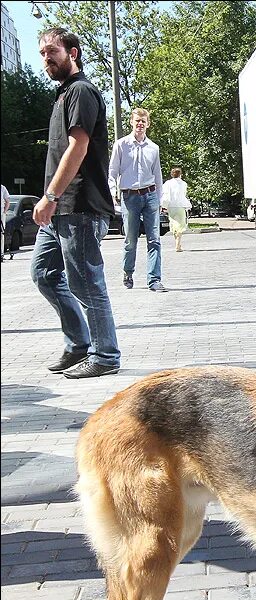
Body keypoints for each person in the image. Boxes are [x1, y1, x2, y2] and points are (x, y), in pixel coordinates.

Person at [30, 28, 120, 379]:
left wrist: (50, 196)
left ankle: (106, 355)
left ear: (73, 53)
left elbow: (78, 147)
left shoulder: (80, 91)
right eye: (42, 53)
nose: (47, 58)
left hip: (78, 205)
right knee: (44, 274)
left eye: (52, 50)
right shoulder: (63, 93)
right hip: (60, 210)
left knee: (86, 282)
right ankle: (79, 343)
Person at [108, 108, 166, 292]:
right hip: (129, 196)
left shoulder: (153, 148)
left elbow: (157, 175)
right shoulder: (121, 145)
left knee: (154, 239)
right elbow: (112, 172)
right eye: (137, 121)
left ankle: (154, 279)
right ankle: (128, 272)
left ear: (148, 124)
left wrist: (159, 200)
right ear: (132, 123)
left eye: (143, 121)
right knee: (130, 239)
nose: (140, 124)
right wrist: (112, 194)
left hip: (150, 196)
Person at [160, 167, 191, 252]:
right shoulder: (184, 184)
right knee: (180, 224)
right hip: (180, 206)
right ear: (180, 174)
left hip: (171, 206)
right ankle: (178, 243)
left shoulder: (167, 183)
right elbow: (183, 195)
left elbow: (165, 194)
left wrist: (164, 205)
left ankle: (177, 243)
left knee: (173, 223)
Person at [1, 183, 9, 260]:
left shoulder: (2, 188)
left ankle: (1, 253)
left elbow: (7, 201)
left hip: (1, 215)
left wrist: (4, 212)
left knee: (1, 234)